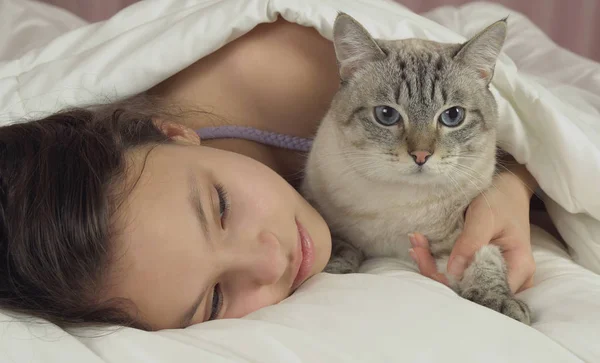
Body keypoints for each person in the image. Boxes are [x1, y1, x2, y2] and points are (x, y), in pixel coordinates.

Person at [0, 18, 538, 331]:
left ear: (172, 132)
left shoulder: (305, 73)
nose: (271, 257)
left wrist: (512, 182)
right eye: (214, 300)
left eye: (221, 207)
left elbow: (538, 127)